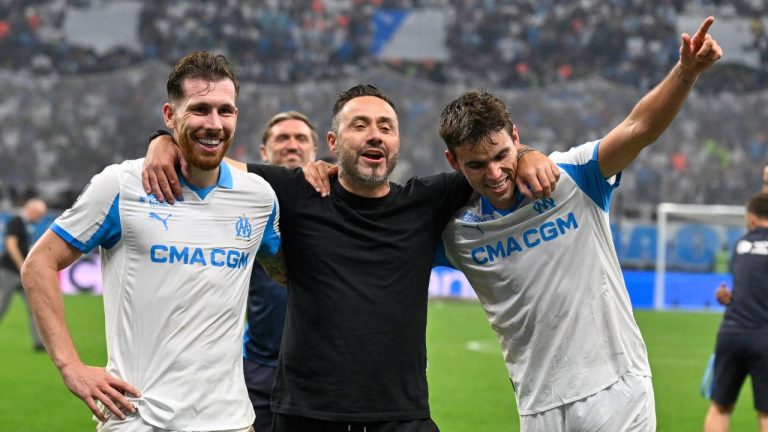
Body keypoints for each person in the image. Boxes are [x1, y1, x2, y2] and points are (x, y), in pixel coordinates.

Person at [143, 84, 559, 431]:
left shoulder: (429, 200)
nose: (375, 135)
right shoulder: (295, 192)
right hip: (306, 415)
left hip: (401, 416)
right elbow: (206, 163)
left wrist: (530, 154)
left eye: (386, 127)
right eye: (359, 125)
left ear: (397, 143)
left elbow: (493, 161)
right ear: (333, 143)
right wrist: (161, 141)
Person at [437, 17, 721, 431]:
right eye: (477, 165)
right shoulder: (457, 236)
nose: (495, 173)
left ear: (516, 136)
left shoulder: (572, 176)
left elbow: (638, 128)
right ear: (453, 163)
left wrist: (685, 73)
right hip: (539, 406)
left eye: (502, 155)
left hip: (618, 390)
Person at [21, 51, 282, 432]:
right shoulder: (121, 186)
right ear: (169, 115)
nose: (214, 123)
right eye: (200, 109)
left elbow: (290, 273)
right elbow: (38, 264)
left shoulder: (258, 197)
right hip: (138, 420)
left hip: (230, 422)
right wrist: (70, 366)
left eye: (225, 111)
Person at [246, 111, 317, 432]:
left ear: (315, 150)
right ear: (263, 152)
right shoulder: (242, 203)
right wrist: (163, 140)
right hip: (259, 367)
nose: (292, 145)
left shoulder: (339, 202)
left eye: (301, 138)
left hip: (320, 371)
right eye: (282, 138)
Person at [704, 193, 768, 432]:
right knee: (766, 414)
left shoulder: (740, 245)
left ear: (751, 218)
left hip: (731, 334)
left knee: (719, 408)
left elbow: (750, 286)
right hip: (764, 335)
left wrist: (728, 297)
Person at [0, 197, 47, 351]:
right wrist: (22, 266)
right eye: (39, 215)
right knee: (1, 306)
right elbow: (10, 245)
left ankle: (39, 343)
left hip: (23, 274)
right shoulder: (16, 222)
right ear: (31, 210)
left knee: (35, 306)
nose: (39, 219)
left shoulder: (28, 226)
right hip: (8, 272)